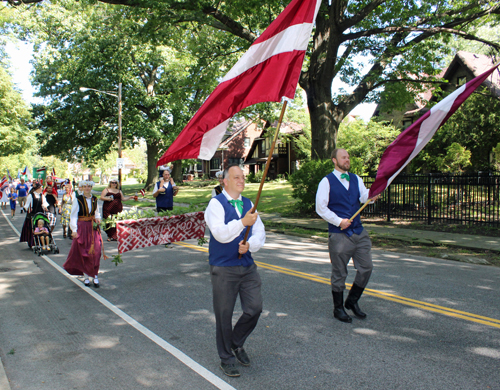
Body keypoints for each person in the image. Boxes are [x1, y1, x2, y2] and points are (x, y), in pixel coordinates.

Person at [204, 165, 265, 378]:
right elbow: (220, 234)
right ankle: (226, 358)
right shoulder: (215, 204)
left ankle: (236, 343)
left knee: (254, 308)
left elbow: (259, 232)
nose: (241, 180)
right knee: (224, 314)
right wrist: (242, 222)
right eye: (236, 177)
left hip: (247, 266)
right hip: (223, 268)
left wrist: (251, 245)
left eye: (243, 177)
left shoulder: (249, 203)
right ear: (225, 181)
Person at [316, 148, 380, 323]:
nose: (347, 160)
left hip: (359, 232)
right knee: (339, 273)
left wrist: (373, 195)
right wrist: (338, 221)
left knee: (366, 267)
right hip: (339, 235)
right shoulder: (326, 182)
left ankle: (352, 301)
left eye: (348, 157)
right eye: (343, 157)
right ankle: (338, 308)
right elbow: (320, 207)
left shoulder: (355, 178)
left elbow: (364, 196)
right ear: (334, 161)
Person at [63, 180, 103, 288]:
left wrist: (98, 219)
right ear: (81, 188)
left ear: (91, 187)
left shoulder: (94, 199)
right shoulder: (78, 199)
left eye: (89, 186)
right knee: (85, 252)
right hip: (82, 227)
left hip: (92, 227)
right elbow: (74, 215)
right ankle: (86, 276)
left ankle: (95, 275)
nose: (87, 188)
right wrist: (74, 230)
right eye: (85, 186)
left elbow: (96, 212)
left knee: (96, 252)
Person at [20, 182, 49, 248]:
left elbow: (44, 203)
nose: (42, 188)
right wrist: (26, 209)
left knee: (41, 226)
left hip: (40, 214)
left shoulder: (42, 195)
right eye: (41, 187)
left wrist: (45, 208)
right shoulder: (31, 195)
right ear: (38, 188)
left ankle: (43, 241)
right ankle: (32, 242)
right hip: (32, 214)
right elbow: (27, 205)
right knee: (32, 228)